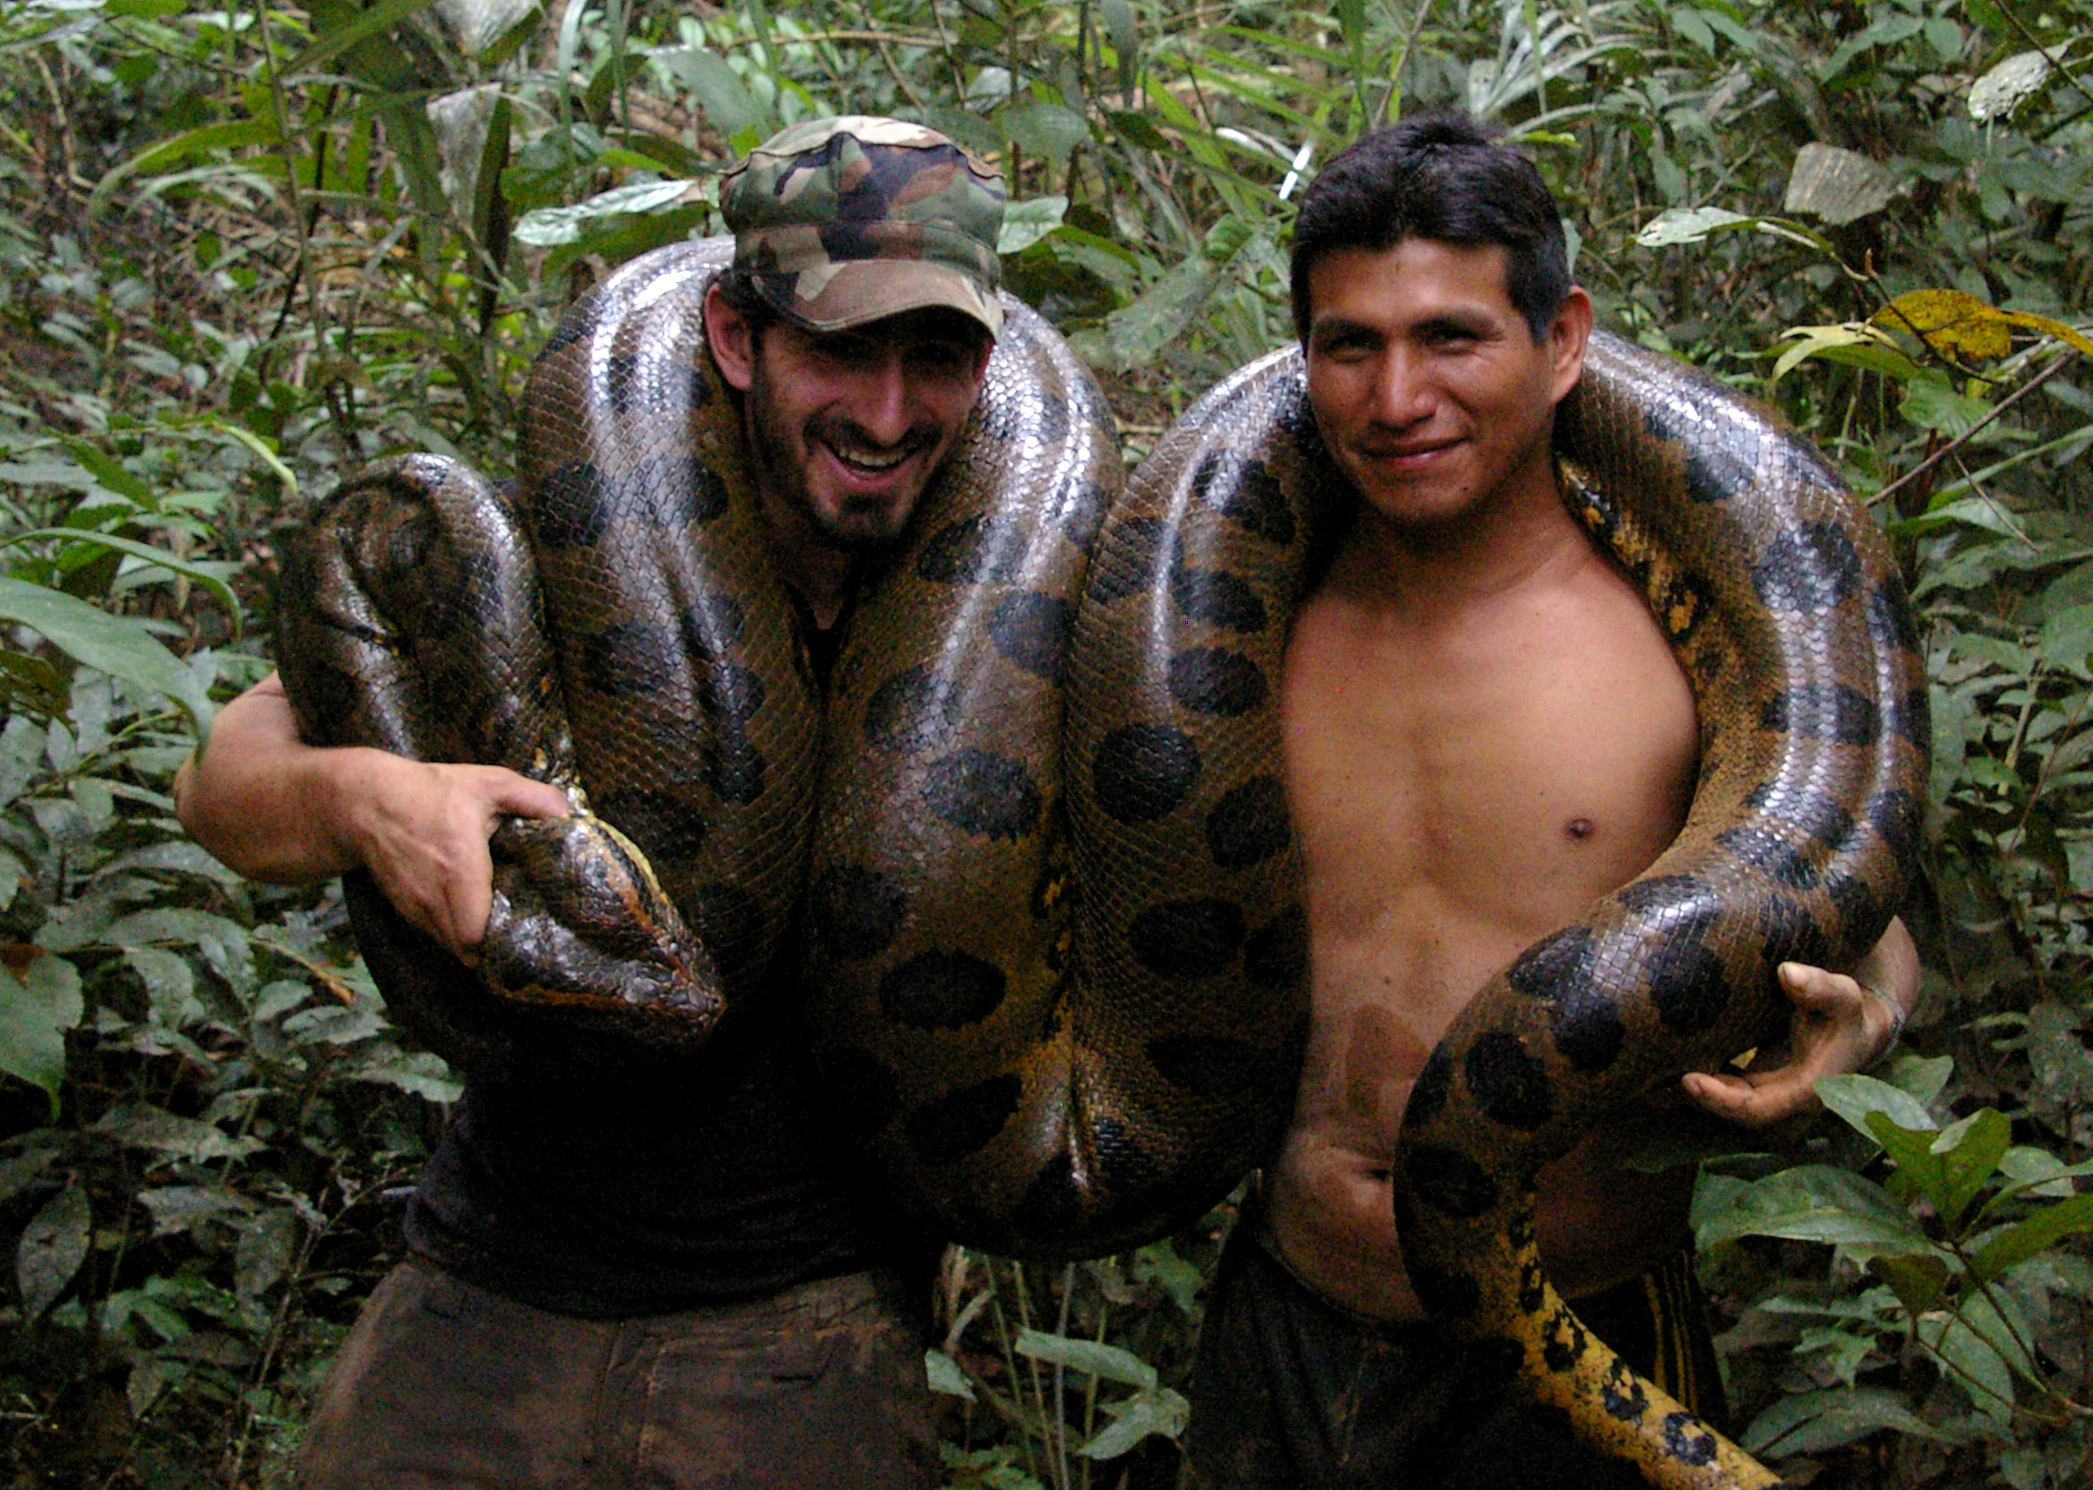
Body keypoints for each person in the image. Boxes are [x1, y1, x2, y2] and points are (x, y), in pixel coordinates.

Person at [174, 116, 1009, 1490]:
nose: (883, 411)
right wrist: (372, 796)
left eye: (934, 359)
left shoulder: (998, 624)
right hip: (481, 1300)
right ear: (736, 342)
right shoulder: (559, 560)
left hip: (799, 1343)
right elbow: (220, 783)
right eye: (838, 351)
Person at [1180, 114, 1921, 1489]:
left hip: (1583, 1332)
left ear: (1562, 338)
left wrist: (1864, 1020)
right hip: (1284, 1317)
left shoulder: (1674, 645)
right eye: (1350, 345)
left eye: (1452, 337)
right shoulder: (1239, 637)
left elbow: (1854, 903)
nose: (1396, 397)